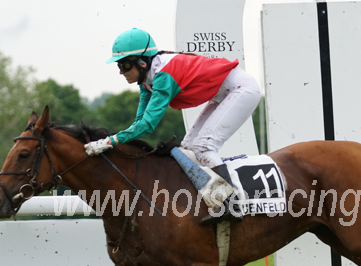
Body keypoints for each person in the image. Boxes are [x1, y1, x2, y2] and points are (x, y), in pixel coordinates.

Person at [85, 28, 261, 224]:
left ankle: (231, 203)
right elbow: (139, 122)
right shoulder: (146, 81)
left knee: (203, 147)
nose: (121, 71)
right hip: (223, 93)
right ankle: (209, 201)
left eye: (124, 65)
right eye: (119, 65)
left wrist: (111, 141)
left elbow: (148, 126)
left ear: (142, 62)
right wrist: (113, 140)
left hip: (241, 89)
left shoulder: (163, 76)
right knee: (188, 151)